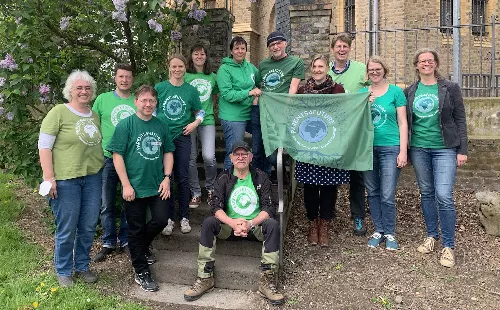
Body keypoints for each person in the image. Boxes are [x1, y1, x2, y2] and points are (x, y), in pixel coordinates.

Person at [183, 141, 284, 305]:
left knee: (272, 224)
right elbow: (215, 207)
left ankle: (267, 281)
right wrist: (233, 223)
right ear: (231, 158)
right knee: (209, 223)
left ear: (251, 157)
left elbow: (269, 207)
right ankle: (205, 277)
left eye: (244, 154)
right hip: (229, 228)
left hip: (254, 226)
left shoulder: (261, 177)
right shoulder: (223, 177)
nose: (241, 157)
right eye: (237, 154)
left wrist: (250, 223)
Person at [38, 70, 104, 287]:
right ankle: (64, 270)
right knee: (67, 227)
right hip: (66, 180)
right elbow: (44, 146)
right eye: (79, 88)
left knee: (87, 226)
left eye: (87, 88)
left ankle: (82, 266)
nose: (84, 91)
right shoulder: (58, 112)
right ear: (70, 91)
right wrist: (49, 178)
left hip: (92, 178)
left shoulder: (94, 115)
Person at [106, 85, 175, 292]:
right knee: (135, 229)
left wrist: (167, 178)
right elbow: (117, 156)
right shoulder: (126, 125)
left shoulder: (161, 125)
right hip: (133, 187)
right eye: (144, 100)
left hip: (157, 185)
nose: (147, 104)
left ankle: (139, 248)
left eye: (151, 101)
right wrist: (126, 184)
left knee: (161, 220)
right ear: (136, 101)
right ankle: (141, 270)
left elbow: (168, 152)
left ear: (156, 103)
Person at [404, 48, 468, 267]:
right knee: (426, 193)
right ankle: (432, 235)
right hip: (419, 148)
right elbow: (406, 122)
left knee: (444, 195)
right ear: (416, 65)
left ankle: (448, 245)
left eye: (430, 61)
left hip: (445, 149)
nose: (426, 64)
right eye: (422, 61)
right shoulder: (410, 90)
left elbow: (460, 119)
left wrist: (463, 150)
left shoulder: (450, 88)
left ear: (436, 64)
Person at [294, 55, 349, 247]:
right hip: (308, 146)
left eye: (321, 66)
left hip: (330, 146)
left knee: (328, 187)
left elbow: (344, 115)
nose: (318, 69)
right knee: (309, 187)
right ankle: (312, 223)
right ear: (311, 69)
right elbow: (296, 116)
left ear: (327, 68)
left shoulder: (337, 90)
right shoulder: (302, 91)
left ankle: (324, 225)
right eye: (315, 66)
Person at [359, 56, 408, 250]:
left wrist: (403, 151)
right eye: (371, 69)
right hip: (367, 149)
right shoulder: (362, 93)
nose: (374, 72)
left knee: (387, 193)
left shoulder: (396, 92)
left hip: (390, 147)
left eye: (378, 69)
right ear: (368, 72)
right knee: (372, 191)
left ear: (384, 70)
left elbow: (403, 122)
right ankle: (378, 229)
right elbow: (355, 121)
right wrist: (365, 103)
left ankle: (390, 233)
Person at [155, 54, 204, 236]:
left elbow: (201, 112)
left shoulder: (190, 90)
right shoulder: (160, 88)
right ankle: (168, 219)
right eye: (174, 66)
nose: (177, 70)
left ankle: (184, 217)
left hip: (183, 137)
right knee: (165, 177)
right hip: (163, 138)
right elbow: (151, 110)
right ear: (168, 67)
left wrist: (195, 123)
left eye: (180, 67)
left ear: (185, 68)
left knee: (182, 177)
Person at [92, 63, 136, 262]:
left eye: (127, 77)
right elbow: (92, 126)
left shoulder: (137, 100)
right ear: (115, 78)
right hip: (108, 158)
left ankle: (126, 240)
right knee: (106, 203)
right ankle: (109, 241)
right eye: (121, 76)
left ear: (132, 79)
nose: (124, 80)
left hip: (132, 159)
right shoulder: (102, 99)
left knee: (130, 202)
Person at [328, 33, 368, 236]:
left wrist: (367, 98)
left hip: (355, 130)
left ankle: (358, 216)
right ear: (333, 49)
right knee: (331, 172)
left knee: (356, 175)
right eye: (338, 46)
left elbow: (373, 89)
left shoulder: (361, 69)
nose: (342, 49)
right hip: (333, 131)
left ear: (349, 49)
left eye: (345, 46)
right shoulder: (325, 71)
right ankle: (329, 214)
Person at [255, 31, 304, 174]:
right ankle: (279, 172)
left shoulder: (296, 62)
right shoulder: (263, 64)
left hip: (285, 113)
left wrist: (286, 112)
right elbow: (260, 87)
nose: (275, 47)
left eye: (278, 43)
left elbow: (293, 89)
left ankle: (283, 172)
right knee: (268, 152)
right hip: (266, 113)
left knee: (282, 149)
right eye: (272, 45)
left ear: (285, 44)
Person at [216, 36, 261, 170]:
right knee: (235, 153)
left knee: (263, 140)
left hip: (250, 112)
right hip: (233, 116)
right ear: (231, 51)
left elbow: (259, 83)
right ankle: (227, 185)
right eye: (236, 48)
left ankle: (258, 177)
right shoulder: (224, 69)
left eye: (243, 48)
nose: (240, 51)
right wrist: (249, 93)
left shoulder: (251, 67)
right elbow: (227, 94)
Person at [184, 43, 219, 208]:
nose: (199, 56)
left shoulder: (212, 76)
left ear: (206, 56)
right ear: (191, 56)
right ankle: (196, 193)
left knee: (209, 157)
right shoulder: (185, 76)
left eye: (202, 54)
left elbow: (214, 96)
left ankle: (211, 189)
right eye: (196, 54)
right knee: (190, 158)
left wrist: (208, 111)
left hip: (207, 120)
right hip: (188, 122)